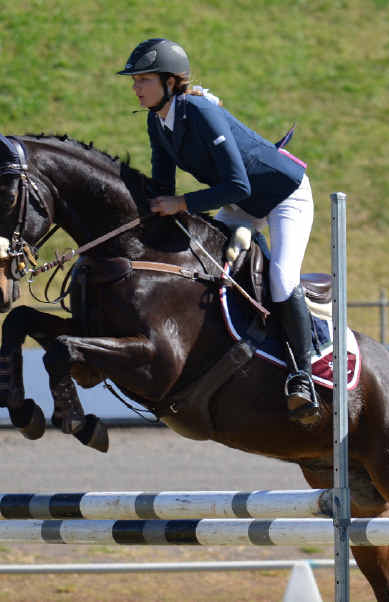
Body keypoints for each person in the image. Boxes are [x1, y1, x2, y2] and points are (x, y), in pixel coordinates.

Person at [117, 38, 319, 424]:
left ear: (170, 81)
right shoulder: (157, 121)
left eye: (143, 79)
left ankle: (302, 375)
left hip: (283, 196)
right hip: (240, 204)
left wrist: (183, 203)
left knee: (281, 276)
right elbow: (163, 185)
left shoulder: (199, 110)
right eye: (135, 80)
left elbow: (238, 185)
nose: (136, 87)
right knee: (203, 266)